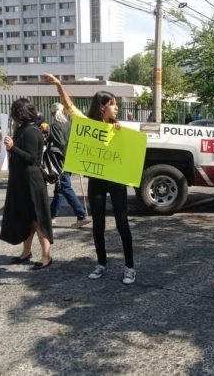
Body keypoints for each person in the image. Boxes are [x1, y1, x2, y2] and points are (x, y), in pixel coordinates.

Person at [44, 72, 136, 284]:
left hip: (117, 180)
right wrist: (59, 84)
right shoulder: (88, 126)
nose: (116, 108)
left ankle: (130, 267)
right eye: (112, 104)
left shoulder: (118, 128)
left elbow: (128, 153)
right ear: (102, 106)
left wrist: (120, 135)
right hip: (96, 180)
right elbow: (69, 106)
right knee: (98, 225)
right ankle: (101, 263)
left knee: (122, 223)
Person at [0, 98, 53, 269]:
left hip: (32, 182)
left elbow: (32, 159)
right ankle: (26, 252)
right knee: (27, 219)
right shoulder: (23, 129)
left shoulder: (31, 131)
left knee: (37, 219)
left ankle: (46, 256)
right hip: (22, 181)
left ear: (19, 114)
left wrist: (13, 147)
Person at [48, 102, 92, 229]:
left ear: (53, 113)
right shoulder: (69, 124)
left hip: (60, 160)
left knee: (65, 187)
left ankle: (81, 215)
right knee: (59, 189)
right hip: (70, 158)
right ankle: (51, 216)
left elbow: (60, 142)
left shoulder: (55, 125)